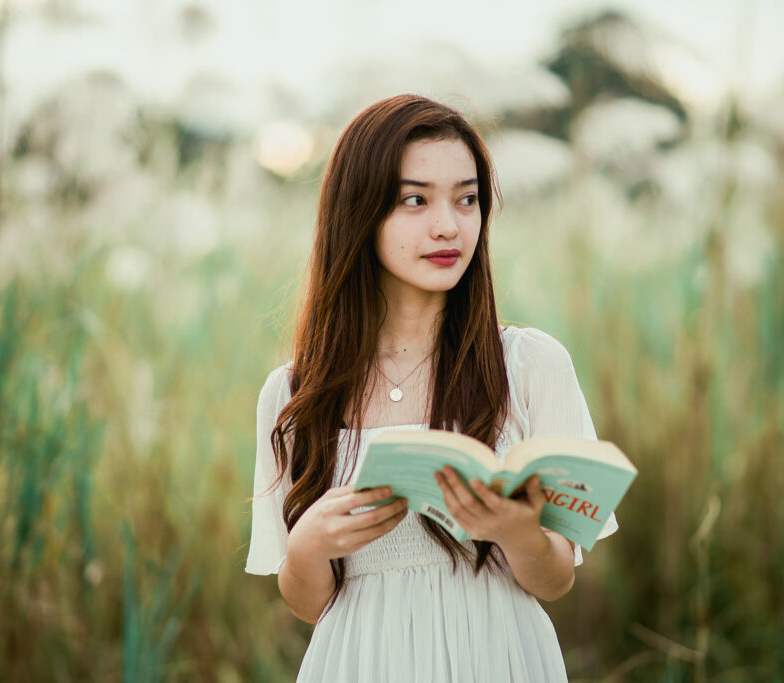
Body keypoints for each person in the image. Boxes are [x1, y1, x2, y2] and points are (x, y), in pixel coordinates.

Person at [246, 94, 618, 682]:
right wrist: (309, 547)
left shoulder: (528, 365)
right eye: (415, 200)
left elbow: (555, 580)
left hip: (498, 659)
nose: (448, 225)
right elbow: (309, 604)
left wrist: (518, 531)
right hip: (357, 664)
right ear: (359, 212)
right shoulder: (296, 392)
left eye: (467, 199)